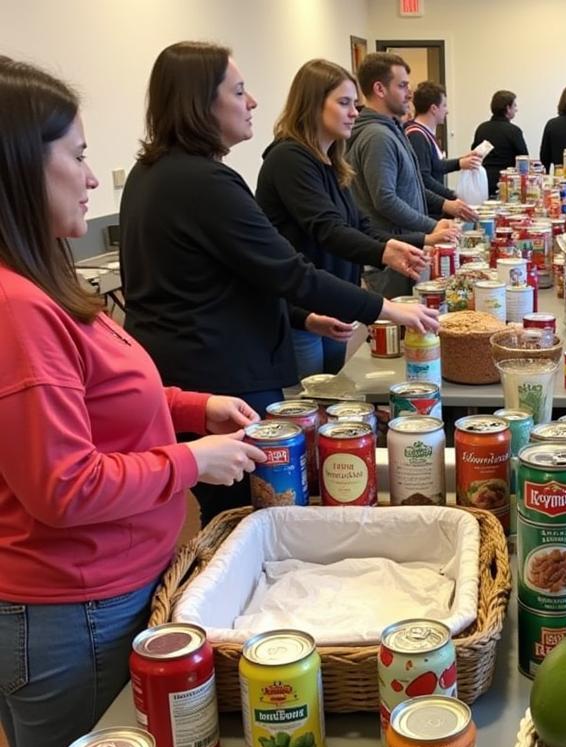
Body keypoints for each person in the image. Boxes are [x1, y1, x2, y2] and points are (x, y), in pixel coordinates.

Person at [0, 55, 263, 747]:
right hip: (67, 604)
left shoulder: (44, 281)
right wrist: (191, 463)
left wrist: (193, 403)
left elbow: (109, 396)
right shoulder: (15, 308)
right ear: (22, 170)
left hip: (111, 587)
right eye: (75, 153)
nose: (92, 173)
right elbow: (62, 485)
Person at [120, 42, 439, 527]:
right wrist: (386, 308)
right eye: (240, 91)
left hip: (195, 365)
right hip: (222, 371)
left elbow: (239, 275)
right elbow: (290, 269)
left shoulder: (156, 173)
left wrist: (302, 315)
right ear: (200, 102)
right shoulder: (204, 181)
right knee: (250, 512)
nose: (251, 103)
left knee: (242, 506)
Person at [257, 59, 436, 376]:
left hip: (334, 300)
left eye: (355, 103)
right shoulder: (288, 158)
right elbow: (328, 229)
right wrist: (385, 252)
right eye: (344, 103)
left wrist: (400, 246)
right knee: (313, 398)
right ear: (312, 105)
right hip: (302, 309)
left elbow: (360, 225)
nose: (354, 112)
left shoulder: (330, 159)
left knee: (334, 388)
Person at [347, 53, 471, 297]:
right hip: (391, 255)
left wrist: (443, 209)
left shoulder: (390, 129)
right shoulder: (377, 136)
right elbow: (385, 198)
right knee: (398, 329)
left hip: (404, 246)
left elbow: (412, 184)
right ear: (380, 89)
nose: (409, 93)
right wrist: (431, 227)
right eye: (402, 86)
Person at [404, 80, 482, 200]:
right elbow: (424, 178)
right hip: (430, 210)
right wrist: (454, 196)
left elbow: (436, 165)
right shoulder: (417, 136)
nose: (447, 111)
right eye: (444, 105)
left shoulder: (424, 133)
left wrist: (461, 161)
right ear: (434, 109)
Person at [471, 90, 529, 197]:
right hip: (507, 183)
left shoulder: (481, 128)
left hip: (483, 181)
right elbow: (523, 158)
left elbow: (474, 153)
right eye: (514, 106)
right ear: (507, 108)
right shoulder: (514, 131)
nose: (516, 109)